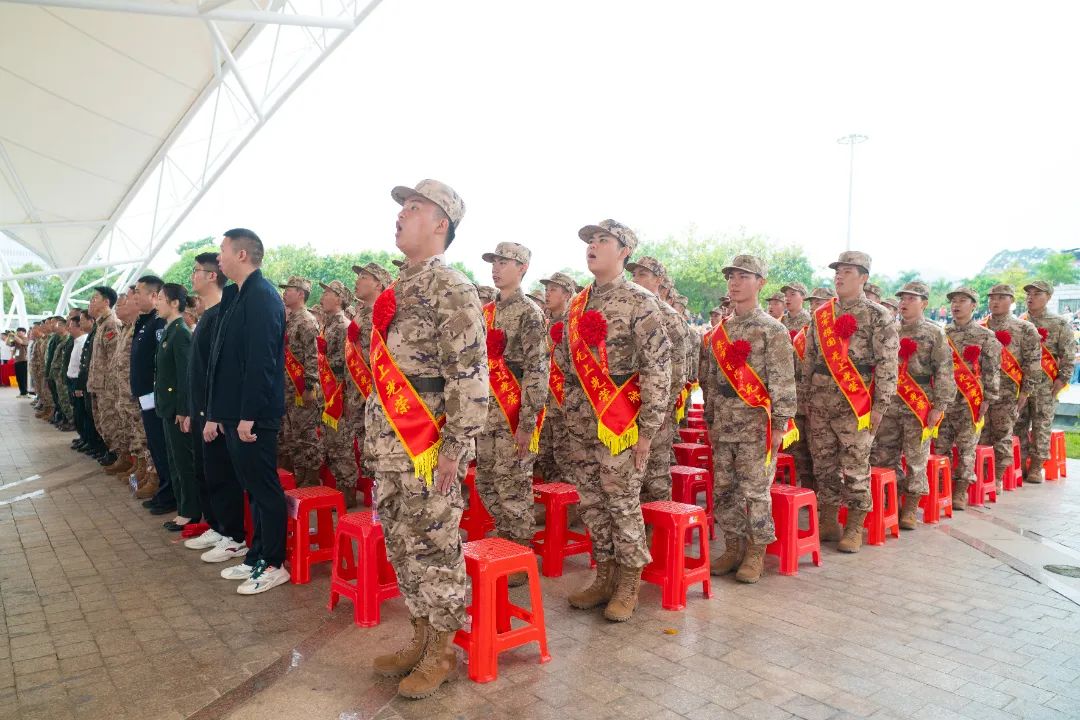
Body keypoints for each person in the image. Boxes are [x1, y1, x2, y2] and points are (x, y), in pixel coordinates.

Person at [365, 180, 485, 698]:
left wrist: (456, 448)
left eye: (414, 208)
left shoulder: (451, 286)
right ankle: (419, 635)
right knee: (401, 543)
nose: (401, 214)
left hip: (428, 445)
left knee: (436, 547)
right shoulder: (399, 287)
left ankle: (442, 650)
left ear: (441, 224)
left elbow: (469, 374)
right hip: (389, 444)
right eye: (402, 207)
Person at [555, 219, 670, 622]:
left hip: (623, 422)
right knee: (591, 501)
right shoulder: (578, 304)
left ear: (624, 251)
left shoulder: (641, 301)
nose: (593, 245)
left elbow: (657, 369)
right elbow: (565, 363)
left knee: (621, 501)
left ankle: (629, 581)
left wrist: (648, 431)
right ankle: (604, 573)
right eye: (590, 240)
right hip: (582, 421)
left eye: (603, 240)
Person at [205, 228, 289, 594]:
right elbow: (221, 360)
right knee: (251, 488)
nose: (218, 256)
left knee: (264, 488)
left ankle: (274, 562)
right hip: (234, 411)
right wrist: (218, 412)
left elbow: (261, 360)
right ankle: (257, 555)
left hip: (253, 414)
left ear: (241, 254)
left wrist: (248, 414)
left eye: (223, 249)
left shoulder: (263, 296)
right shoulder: (236, 295)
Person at [702, 255, 796, 583]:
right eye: (731, 276)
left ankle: (756, 552)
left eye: (743, 276)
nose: (735, 282)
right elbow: (711, 380)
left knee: (755, 492)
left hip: (757, 426)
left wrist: (780, 425)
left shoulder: (773, 330)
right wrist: (710, 419)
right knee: (724, 490)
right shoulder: (720, 331)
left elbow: (783, 380)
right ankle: (733, 546)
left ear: (760, 283)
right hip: (724, 423)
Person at [802, 252, 898, 553]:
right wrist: (805, 398)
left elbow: (887, 364)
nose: (839, 277)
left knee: (856, 466)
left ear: (863, 277)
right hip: (820, 401)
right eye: (837, 272)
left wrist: (880, 406)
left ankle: (855, 525)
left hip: (856, 405)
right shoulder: (821, 314)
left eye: (847, 271)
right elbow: (810, 359)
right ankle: (829, 520)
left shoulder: (878, 315)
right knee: (823, 464)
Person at [475, 242, 548, 585]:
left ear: (522, 268)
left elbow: (537, 370)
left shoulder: (530, 313)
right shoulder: (487, 311)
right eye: (494, 262)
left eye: (504, 262)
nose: (496, 268)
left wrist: (527, 422)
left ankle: (519, 553)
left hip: (513, 415)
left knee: (514, 485)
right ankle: (504, 538)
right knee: (487, 480)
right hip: (486, 414)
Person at [868, 282, 954, 529]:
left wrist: (939, 406)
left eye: (911, 299)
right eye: (902, 298)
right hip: (890, 402)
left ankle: (910, 507)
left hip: (919, 402)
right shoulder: (890, 330)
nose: (904, 303)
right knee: (884, 454)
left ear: (924, 303)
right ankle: (890, 501)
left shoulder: (934, 333)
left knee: (916, 456)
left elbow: (945, 371)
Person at [183, 252, 249, 563]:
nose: (192, 276)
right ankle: (216, 524)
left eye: (197, 270)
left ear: (212, 276)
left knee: (222, 474)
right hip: (200, 409)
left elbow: (220, 372)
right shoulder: (207, 316)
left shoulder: (222, 314)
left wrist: (213, 413)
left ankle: (233, 535)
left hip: (215, 412)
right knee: (205, 472)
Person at [626, 256, 687, 504]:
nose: (635, 279)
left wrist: (659, 408)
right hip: (624, 406)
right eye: (634, 274)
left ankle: (659, 520)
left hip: (657, 410)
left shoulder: (670, 317)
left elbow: (678, 372)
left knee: (656, 473)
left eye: (642, 274)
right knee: (628, 472)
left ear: (658, 280)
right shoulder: (629, 309)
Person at [936, 287, 1001, 509]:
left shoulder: (986, 336)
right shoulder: (942, 334)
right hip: (944, 400)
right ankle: (942, 486)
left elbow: (992, 370)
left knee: (966, 447)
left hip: (970, 401)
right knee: (940, 446)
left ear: (973, 305)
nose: (956, 305)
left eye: (962, 300)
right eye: (953, 301)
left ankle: (960, 490)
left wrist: (988, 399)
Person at [980, 285, 1042, 492]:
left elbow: (1033, 363)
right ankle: (982, 475)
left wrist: (1025, 392)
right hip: (980, 392)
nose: (995, 302)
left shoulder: (1025, 329)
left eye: (1001, 298)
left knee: (1002, 434)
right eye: (992, 298)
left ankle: (997, 477)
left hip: (1008, 393)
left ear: (1012, 301)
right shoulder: (980, 328)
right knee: (980, 435)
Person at [1017, 280, 1074, 483]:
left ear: (1048, 297)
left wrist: (1062, 379)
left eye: (1037, 294)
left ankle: (1037, 466)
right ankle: (1020, 463)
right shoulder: (1019, 322)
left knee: (1041, 424)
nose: (1030, 297)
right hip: (1021, 383)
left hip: (1045, 384)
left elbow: (1068, 354)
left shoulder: (1059, 324)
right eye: (1028, 294)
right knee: (1018, 424)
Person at [154, 283, 199, 531]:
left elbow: (185, 376)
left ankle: (190, 511)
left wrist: (184, 410)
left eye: (161, 299)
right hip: (168, 407)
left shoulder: (180, 332)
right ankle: (183, 508)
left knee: (183, 461)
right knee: (174, 460)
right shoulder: (170, 330)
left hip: (177, 409)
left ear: (174, 303)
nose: (156, 303)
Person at [130, 276, 176, 514]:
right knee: (156, 446)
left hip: (155, 396)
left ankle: (169, 495)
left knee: (162, 446)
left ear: (154, 295)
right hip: (146, 396)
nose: (134, 296)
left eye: (138, 292)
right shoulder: (146, 321)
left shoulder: (159, 324)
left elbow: (162, 365)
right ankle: (164, 491)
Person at [346, 261, 392, 494]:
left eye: (364, 276)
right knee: (364, 445)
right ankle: (373, 497)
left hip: (377, 392)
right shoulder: (359, 313)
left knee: (379, 448)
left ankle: (379, 497)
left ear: (378, 283)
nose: (357, 281)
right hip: (357, 392)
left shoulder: (384, 312)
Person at [317, 279, 361, 504]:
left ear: (340, 299)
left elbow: (349, 365)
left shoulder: (343, 325)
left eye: (328, 293)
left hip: (340, 394)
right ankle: (339, 490)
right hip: (327, 392)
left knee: (341, 445)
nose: (322, 297)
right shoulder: (328, 325)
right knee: (330, 444)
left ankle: (348, 492)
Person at [277, 276, 322, 486]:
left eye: (289, 289)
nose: (285, 293)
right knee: (292, 434)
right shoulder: (290, 319)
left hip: (302, 388)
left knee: (306, 434)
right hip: (287, 387)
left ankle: (311, 477)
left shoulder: (306, 320)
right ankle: (299, 473)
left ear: (301, 294)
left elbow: (313, 355)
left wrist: (310, 385)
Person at [533, 271, 576, 482]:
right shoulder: (543, 323)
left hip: (566, 404)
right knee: (545, 456)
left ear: (566, 294)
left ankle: (570, 500)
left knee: (566, 459)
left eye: (553, 289)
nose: (547, 294)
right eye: (546, 289)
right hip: (545, 403)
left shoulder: (573, 323)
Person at [87, 287, 125, 473]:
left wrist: (110, 387)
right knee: (102, 422)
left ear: (106, 302)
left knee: (111, 422)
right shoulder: (100, 324)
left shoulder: (111, 324)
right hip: (98, 384)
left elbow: (114, 359)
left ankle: (120, 457)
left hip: (108, 387)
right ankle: (113, 453)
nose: (91, 303)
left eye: (95, 299)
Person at [11, 327, 29, 397]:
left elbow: (21, 342)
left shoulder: (26, 339)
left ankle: (26, 391)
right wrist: (10, 336)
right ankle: (22, 392)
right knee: (18, 378)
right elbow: (8, 343)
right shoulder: (15, 339)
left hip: (23, 360)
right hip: (17, 360)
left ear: (24, 332)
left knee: (23, 377)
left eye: (20, 331)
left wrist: (14, 336)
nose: (18, 332)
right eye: (17, 331)